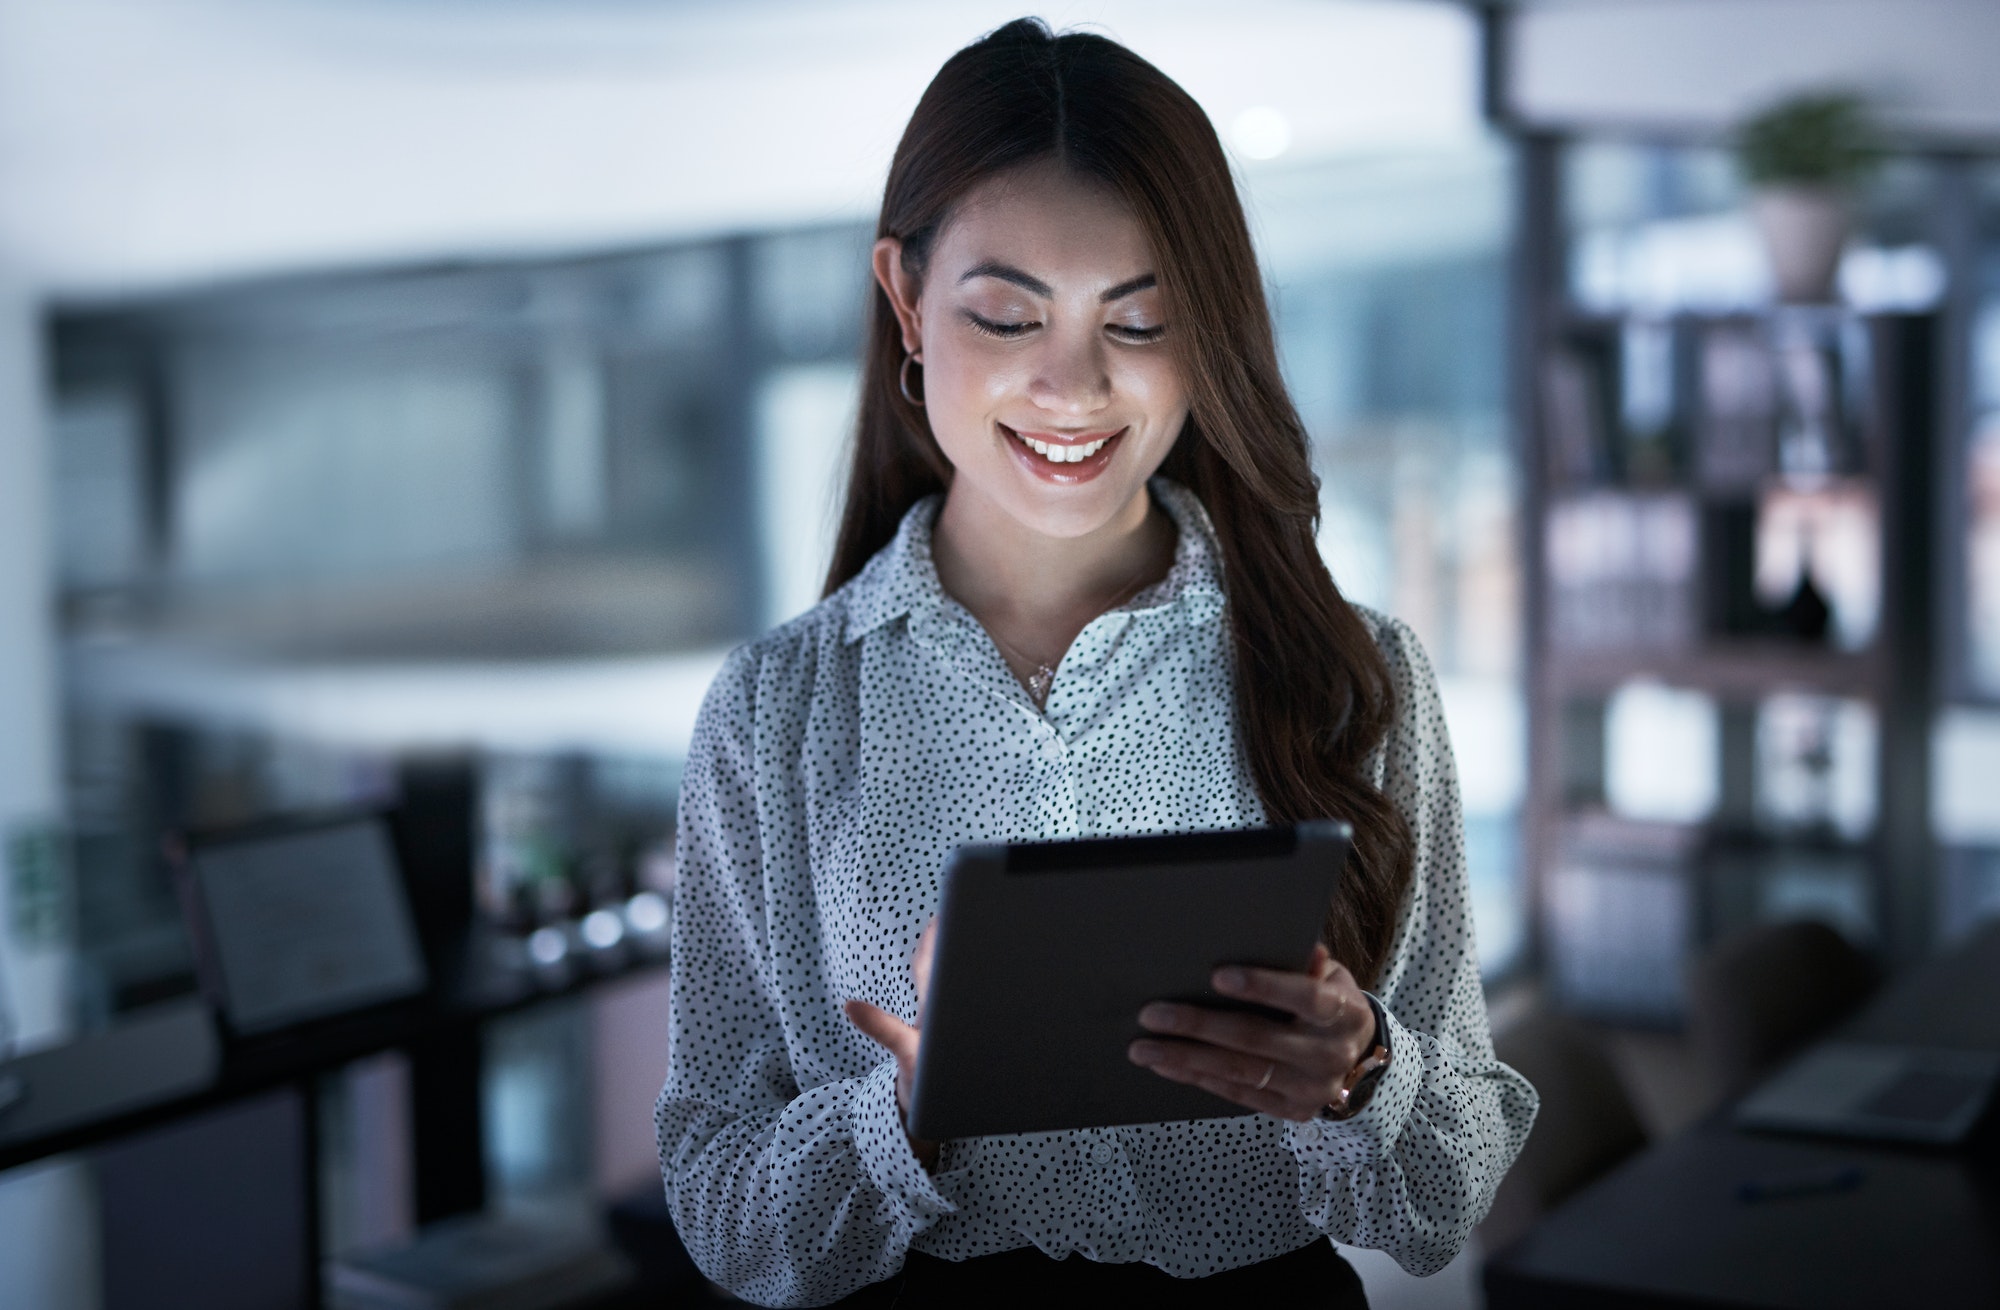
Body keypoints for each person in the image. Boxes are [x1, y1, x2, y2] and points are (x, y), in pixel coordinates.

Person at [656, 18, 1537, 1307]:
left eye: (1141, 322)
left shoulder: (1359, 680)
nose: (1072, 389)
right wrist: (903, 1116)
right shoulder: (774, 719)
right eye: (1010, 316)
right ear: (905, 298)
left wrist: (1358, 1077)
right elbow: (723, 1207)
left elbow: (1442, 1202)